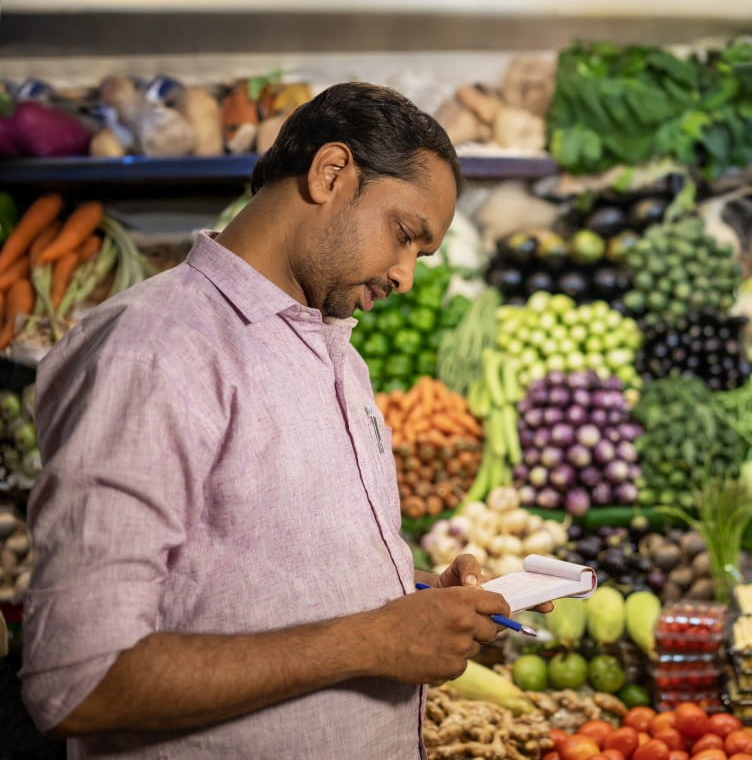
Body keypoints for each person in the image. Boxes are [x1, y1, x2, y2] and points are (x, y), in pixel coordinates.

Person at [21, 82, 528, 758]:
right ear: (330, 174)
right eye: (405, 234)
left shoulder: (335, 355)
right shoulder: (155, 351)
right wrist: (373, 640)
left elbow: (254, 577)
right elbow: (79, 683)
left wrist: (417, 599)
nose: (406, 275)